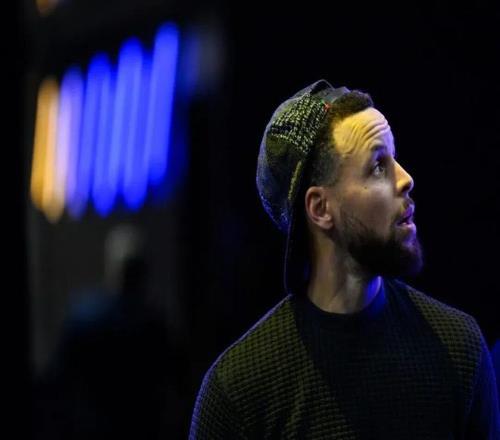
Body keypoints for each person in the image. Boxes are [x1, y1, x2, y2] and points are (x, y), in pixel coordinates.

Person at [189, 79, 500, 439]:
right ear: (321, 208)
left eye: (394, 158)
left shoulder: (458, 350)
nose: (406, 179)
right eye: (378, 166)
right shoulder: (240, 392)